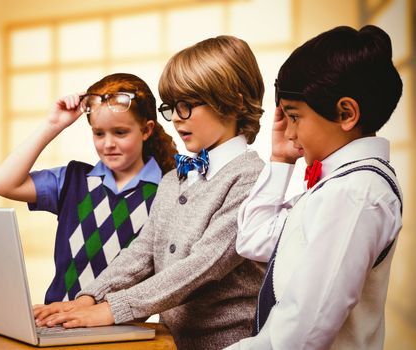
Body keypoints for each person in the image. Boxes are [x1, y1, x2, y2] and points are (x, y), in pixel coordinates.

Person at [33, 35, 267, 350]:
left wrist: (113, 308)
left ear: (234, 102)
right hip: (170, 342)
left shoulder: (252, 178)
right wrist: (91, 296)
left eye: (187, 105)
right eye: (172, 108)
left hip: (225, 344)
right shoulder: (174, 179)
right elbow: (141, 252)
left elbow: (202, 266)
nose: (177, 120)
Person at [228, 25, 403, 349]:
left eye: (294, 117)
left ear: (345, 113)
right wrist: (280, 158)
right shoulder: (338, 185)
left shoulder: (353, 194)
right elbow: (253, 240)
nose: (289, 132)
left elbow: (299, 334)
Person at [0, 73, 178, 304]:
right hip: (57, 321)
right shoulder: (72, 180)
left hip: (120, 330)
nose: (108, 144)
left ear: (146, 130)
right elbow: (3, 183)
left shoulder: (169, 191)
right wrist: (53, 124)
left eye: (120, 132)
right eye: (99, 133)